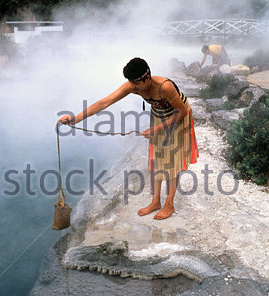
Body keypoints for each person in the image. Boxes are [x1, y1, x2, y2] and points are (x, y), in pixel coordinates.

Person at [58, 58, 199, 220]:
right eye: (130, 82)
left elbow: (181, 111)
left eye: (136, 83)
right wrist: (75, 119)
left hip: (176, 115)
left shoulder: (164, 87)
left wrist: (157, 129)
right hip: (159, 114)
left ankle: (169, 203)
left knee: (171, 160)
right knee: (157, 157)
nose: (133, 87)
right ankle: (155, 201)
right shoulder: (133, 85)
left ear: (147, 77)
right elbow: (104, 103)